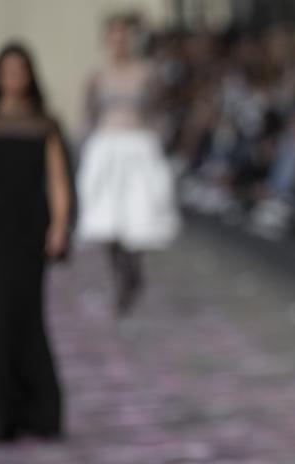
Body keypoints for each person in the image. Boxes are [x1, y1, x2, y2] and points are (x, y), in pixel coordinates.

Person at [0, 43, 70, 442]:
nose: (14, 77)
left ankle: (35, 411)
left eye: (20, 70)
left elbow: (56, 179)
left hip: (29, 229)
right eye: (7, 70)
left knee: (28, 313)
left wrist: (59, 225)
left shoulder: (45, 125)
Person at [76, 14, 180, 314]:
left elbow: (160, 110)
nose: (119, 42)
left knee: (137, 215)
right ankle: (118, 276)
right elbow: (87, 115)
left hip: (138, 144)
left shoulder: (147, 73)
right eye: (114, 36)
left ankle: (132, 272)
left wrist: (158, 142)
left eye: (124, 36)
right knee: (105, 219)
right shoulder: (97, 75)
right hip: (107, 146)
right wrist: (87, 148)